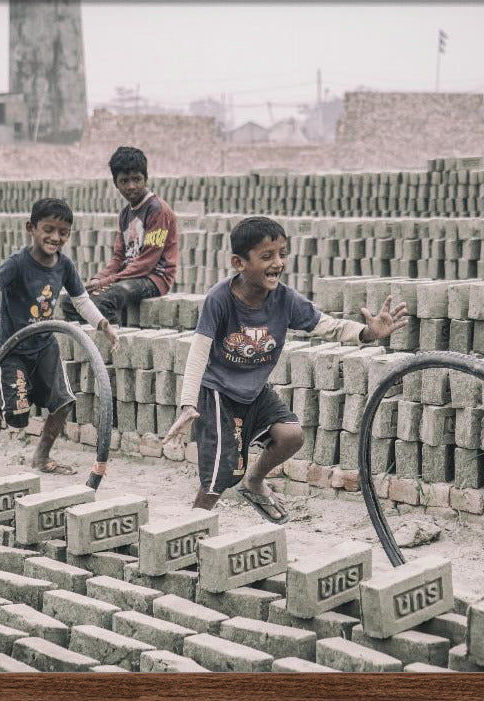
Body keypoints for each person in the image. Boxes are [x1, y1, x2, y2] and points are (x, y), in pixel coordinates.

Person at [163, 216, 409, 523]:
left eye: (282, 253)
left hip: (254, 392)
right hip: (218, 394)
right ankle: (190, 527)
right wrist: (188, 403)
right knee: (223, 473)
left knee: (291, 435)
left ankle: (254, 482)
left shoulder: (284, 298)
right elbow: (199, 350)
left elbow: (325, 326)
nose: (277, 262)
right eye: (266, 256)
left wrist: (368, 333)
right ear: (239, 262)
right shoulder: (220, 299)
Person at [0, 198, 120, 476]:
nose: (55, 237)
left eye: (63, 232)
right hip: (14, 350)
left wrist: (103, 324)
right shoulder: (18, 263)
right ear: (31, 228)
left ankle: (42, 456)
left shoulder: (64, 266)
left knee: (64, 402)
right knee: (18, 418)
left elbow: (81, 301)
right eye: (48, 229)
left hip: (45, 346)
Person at [61, 146, 178, 326]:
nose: (131, 186)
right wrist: (98, 279)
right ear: (116, 183)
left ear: (145, 178)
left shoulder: (157, 210)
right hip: (129, 276)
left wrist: (108, 281)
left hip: (153, 278)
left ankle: (117, 350)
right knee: (71, 302)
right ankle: (92, 348)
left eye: (136, 179)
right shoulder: (125, 214)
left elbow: (147, 262)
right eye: (124, 181)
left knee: (104, 300)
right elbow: (118, 257)